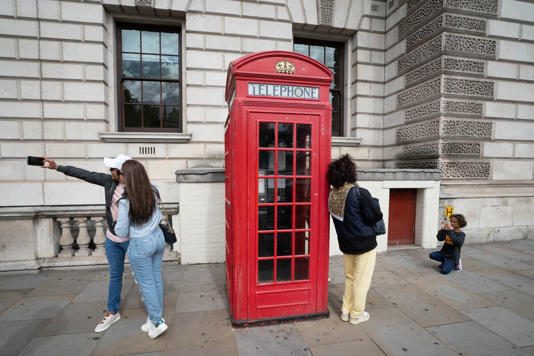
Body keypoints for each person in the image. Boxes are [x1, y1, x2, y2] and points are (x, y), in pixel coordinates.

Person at [42, 154, 132, 332]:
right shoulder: (109, 182)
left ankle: (154, 310)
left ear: (121, 171)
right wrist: (58, 167)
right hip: (113, 239)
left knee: (143, 276)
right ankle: (112, 312)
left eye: (112, 169)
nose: (109, 172)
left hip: (133, 240)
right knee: (115, 275)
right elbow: (86, 174)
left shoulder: (139, 188)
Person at [114, 160, 168, 339]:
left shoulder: (125, 201)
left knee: (147, 284)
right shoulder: (153, 190)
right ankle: (153, 318)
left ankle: (158, 322)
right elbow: (158, 213)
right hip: (158, 237)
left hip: (141, 243)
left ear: (127, 177)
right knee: (156, 280)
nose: (119, 176)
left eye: (121, 173)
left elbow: (121, 231)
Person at [327, 154, 377, 325]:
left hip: (346, 243)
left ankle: (345, 310)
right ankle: (356, 314)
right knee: (362, 279)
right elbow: (375, 216)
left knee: (350, 277)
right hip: (364, 243)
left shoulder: (333, 194)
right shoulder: (359, 193)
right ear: (351, 172)